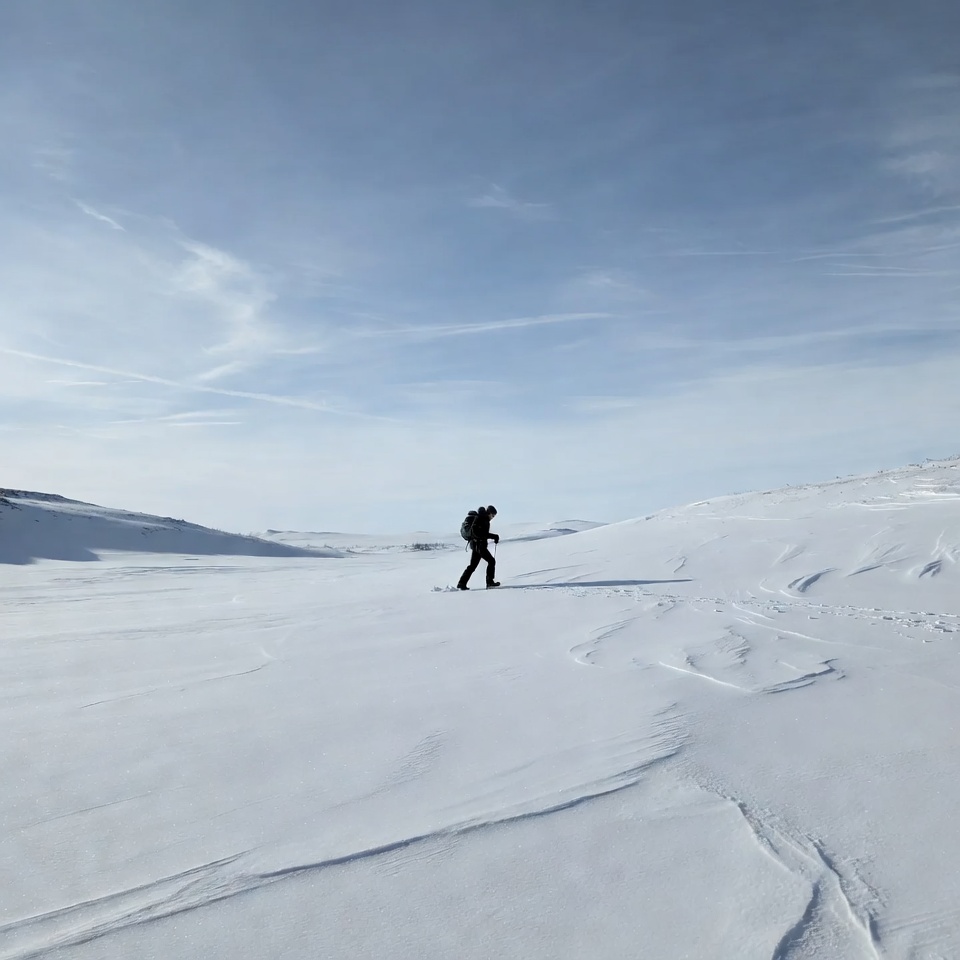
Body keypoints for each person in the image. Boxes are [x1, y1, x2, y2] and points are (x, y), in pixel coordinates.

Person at [457, 505, 500, 589]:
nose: (493, 517)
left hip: (476, 545)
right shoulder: (482, 519)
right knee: (491, 561)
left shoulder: (481, 518)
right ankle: (490, 582)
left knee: (472, 566)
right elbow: (479, 533)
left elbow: (480, 533)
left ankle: (461, 583)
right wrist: (494, 536)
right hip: (479, 545)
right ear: (489, 513)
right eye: (493, 515)